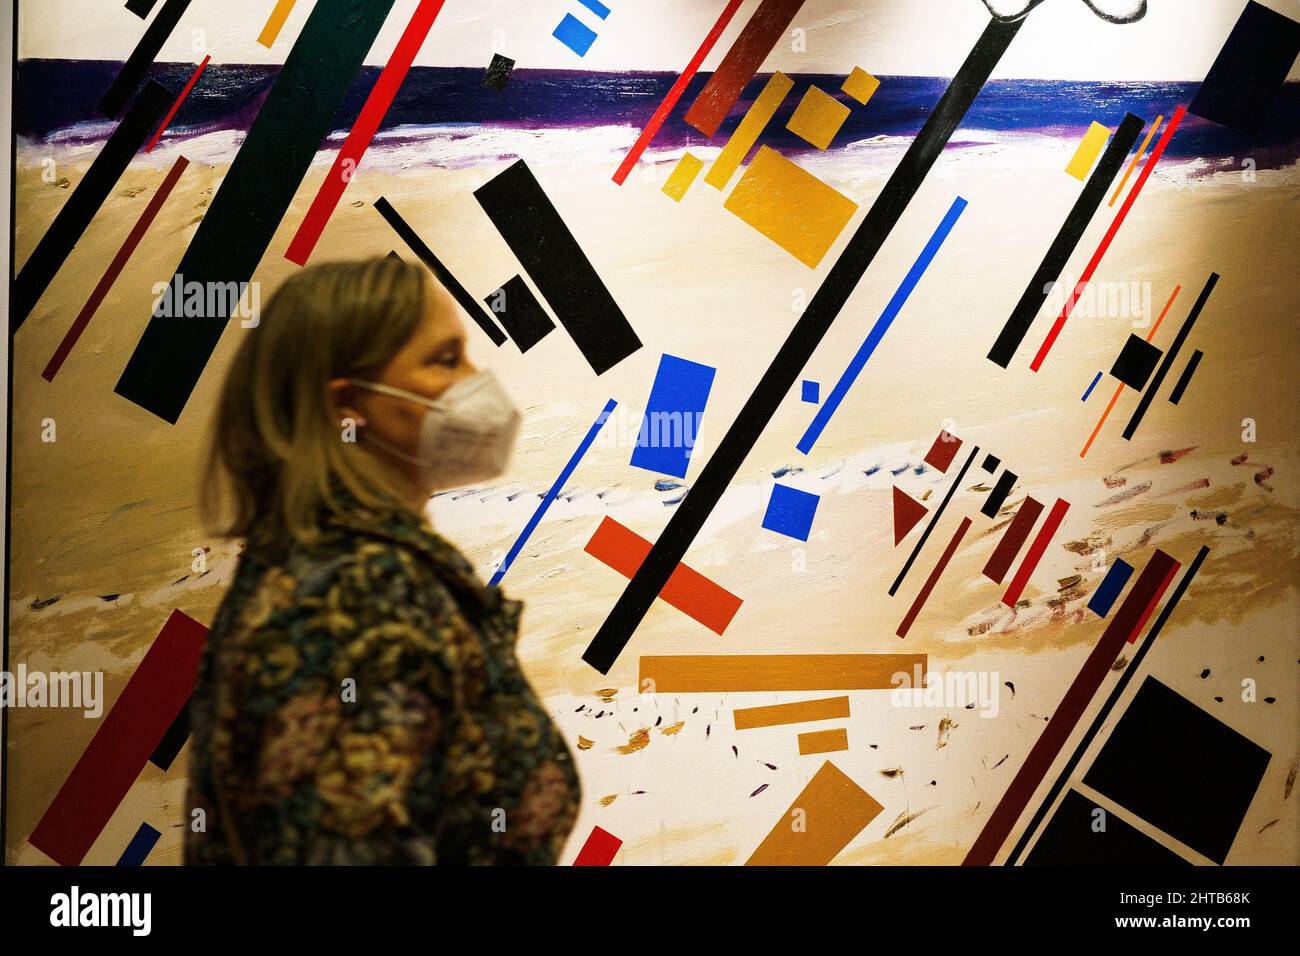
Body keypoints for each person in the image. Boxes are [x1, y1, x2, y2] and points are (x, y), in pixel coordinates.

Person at [185, 256, 581, 865]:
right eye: (445, 360)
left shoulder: (336, 567)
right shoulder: (351, 599)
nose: (476, 383)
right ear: (349, 407)